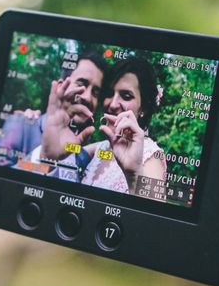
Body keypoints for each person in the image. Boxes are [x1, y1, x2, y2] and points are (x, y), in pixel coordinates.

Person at [40, 57, 166, 198]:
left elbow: (154, 218)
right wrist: (47, 156)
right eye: (109, 94)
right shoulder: (99, 149)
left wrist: (134, 176)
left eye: (126, 96)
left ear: (144, 107)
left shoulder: (152, 156)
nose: (112, 104)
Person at [0, 51, 107, 172]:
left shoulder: (83, 157)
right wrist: (42, 159)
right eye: (81, 84)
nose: (88, 97)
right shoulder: (20, 123)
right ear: (60, 86)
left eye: (95, 92)